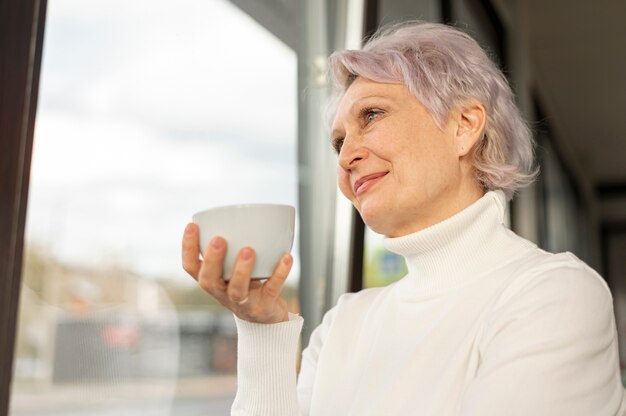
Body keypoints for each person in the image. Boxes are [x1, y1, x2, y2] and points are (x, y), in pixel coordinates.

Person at [182, 21, 626, 415]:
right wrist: (264, 332)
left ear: (464, 126)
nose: (347, 157)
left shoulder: (555, 294)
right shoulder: (344, 324)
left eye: (371, 115)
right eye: (338, 143)